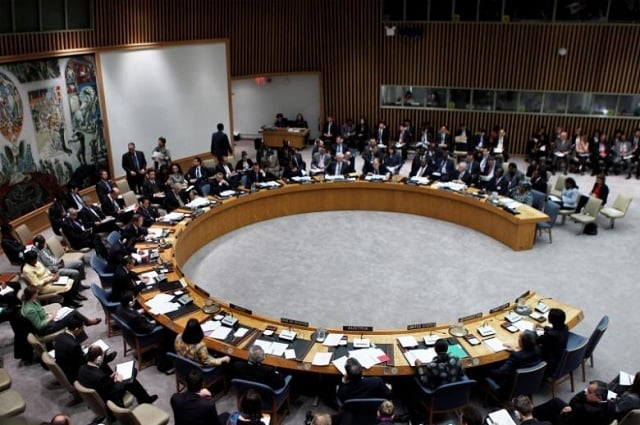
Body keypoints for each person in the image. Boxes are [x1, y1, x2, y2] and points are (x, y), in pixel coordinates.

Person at [77, 344, 158, 407]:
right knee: (131, 376)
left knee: (130, 376)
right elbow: (112, 393)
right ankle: (145, 399)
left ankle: (144, 399)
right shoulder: (100, 376)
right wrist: (119, 381)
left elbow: (100, 384)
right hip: (109, 398)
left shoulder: (82, 368)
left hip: (99, 393)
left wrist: (109, 378)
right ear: (99, 359)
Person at [54, 315, 116, 385]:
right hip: (74, 372)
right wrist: (92, 351)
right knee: (97, 358)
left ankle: (105, 359)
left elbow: (73, 354)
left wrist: (84, 348)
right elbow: (83, 361)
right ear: (76, 329)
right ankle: (111, 379)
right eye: (82, 328)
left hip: (66, 366)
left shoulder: (60, 336)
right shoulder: (74, 345)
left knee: (96, 355)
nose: (82, 330)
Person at [20, 285, 100, 337]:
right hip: (46, 329)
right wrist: (51, 317)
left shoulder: (32, 301)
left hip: (48, 319)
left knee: (73, 317)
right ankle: (88, 322)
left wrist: (48, 314)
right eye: (36, 293)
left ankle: (80, 336)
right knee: (73, 313)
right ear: (32, 295)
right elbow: (39, 326)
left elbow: (40, 312)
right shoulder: (29, 309)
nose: (37, 295)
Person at [532, 380, 614, 425]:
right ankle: (531, 414)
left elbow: (573, 402)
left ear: (599, 397)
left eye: (589, 391)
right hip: (580, 416)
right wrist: (573, 408)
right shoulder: (610, 403)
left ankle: (531, 420)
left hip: (573, 421)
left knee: (553, 416)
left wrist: (572, 408)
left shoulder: (589, 409)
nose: (585, 392)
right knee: (556, 401)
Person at [537, 308, 569, 376]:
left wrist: (535, 330)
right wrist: (544, 328)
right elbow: (555, 330)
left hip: (548, 364)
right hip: (558, 356)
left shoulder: (550, 335)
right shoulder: (565, 327)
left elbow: (537, 340)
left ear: (551, 320)